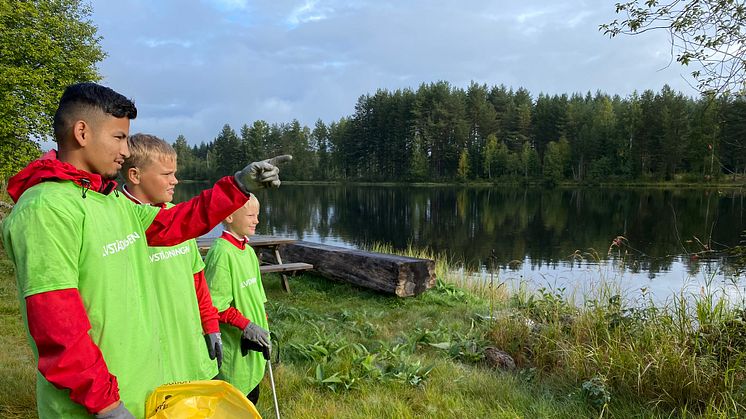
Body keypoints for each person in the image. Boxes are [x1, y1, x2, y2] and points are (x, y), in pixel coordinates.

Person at [1, 82, 290, 418]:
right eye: (119, 137)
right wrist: (106, 405)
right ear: (82, 132)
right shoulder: (46, 210)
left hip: (142, 397)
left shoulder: (109, 200)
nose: (125, 151)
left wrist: (238, 186)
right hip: (93, 408)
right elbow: (57, 327)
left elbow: (176, 223)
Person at [120, 133, 222, 384]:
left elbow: (197, 279)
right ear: (135, 175)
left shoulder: (176, 217)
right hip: (148, 353)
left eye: (174, 173)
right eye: (166, 174)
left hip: (189, 345)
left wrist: (211, 326)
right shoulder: (119, 221)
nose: (175, 181)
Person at [204, 197, 270, 406]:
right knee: (235, 403)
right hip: (235, 347)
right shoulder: (221, 253)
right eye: (251, 215)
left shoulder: (249, 252)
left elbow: (258, 298)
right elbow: (215, 306)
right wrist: (246, 325)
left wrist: (263, 322)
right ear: (230, 216)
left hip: (254, 342)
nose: (256, 221)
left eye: (257, 215)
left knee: (253, 393)